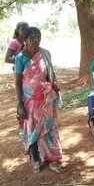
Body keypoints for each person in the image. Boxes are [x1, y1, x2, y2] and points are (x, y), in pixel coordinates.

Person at [15, 27, 63, 174]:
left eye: (38, 38)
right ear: (25, 40)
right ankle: (37, 159)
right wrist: (20, 103)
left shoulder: (45, 54)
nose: (35, 41)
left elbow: (50, 75)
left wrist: (54, 88)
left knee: (49, 128)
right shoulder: (20, 58)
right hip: (29, 101)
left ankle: (53, 159)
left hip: (45, 99)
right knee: (33, 129)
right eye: (32, 38)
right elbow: (18, 82)